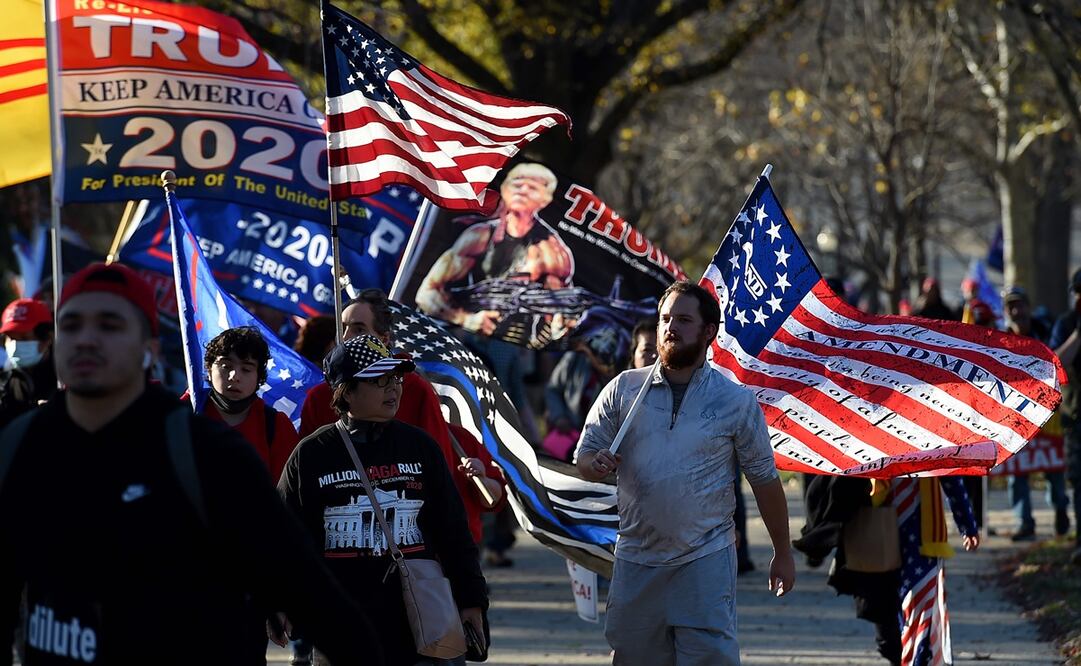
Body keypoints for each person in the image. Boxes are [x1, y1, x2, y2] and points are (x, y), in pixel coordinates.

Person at [0, 263, 380, 665]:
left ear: (149, 348)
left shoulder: (211, 455)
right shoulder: (19, 447)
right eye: (72, 325)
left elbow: (313, 597)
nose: (88, 339)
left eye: (110, 325)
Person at [574, 281, 795, 665]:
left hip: (704, 561)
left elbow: (764, 479)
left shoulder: (735, 400)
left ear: (708, 332)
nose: (669, 327)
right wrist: (594, 465)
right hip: (636, 561)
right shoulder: (624, 389)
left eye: (683, 319)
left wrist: (783, 552)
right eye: (664, 319)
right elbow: (585, 457)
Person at [279, 334, 488, 666]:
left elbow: (453, 531)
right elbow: (284, 540)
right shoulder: (312, 454)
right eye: (379, 381)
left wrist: (471, 599)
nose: (393, 389)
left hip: (417, 619)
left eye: (395, 379)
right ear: (345, 391)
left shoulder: (420, 447)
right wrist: (281, 603)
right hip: (341, 620)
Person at [415, 162, 574, 343]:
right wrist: (466, 319)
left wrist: (559, 325)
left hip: (510, 347)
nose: (522, 190)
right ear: (505, 189)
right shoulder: (478, 237)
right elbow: (426, 294)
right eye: (517, 184)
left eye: (532, 187)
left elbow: (561, 313)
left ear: (545, 199)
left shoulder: (553, 253)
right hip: (460, 333)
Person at [1002, 286, 1069, 540]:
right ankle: (1024, 522)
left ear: (1029, 307)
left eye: (1020, 304)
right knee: (1017, 470)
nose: (1016, 311)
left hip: (1048, 413)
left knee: (1053, 466)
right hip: (1017, 416)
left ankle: (1061, 509)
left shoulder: (1046, 333)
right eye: (1011, 306)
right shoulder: (1000, 338)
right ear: (1006, 312)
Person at [1050, 268, 1081, 562]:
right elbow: (1056, 363)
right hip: (1076, 418)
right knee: (1079, 481)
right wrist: (1078, 335)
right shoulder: (1067, 324)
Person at [0, 298, 56, 428]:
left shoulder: (65, 376)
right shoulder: (6, 380)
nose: (14, 345)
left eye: (24, 338)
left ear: (47, 338)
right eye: (10, 338)